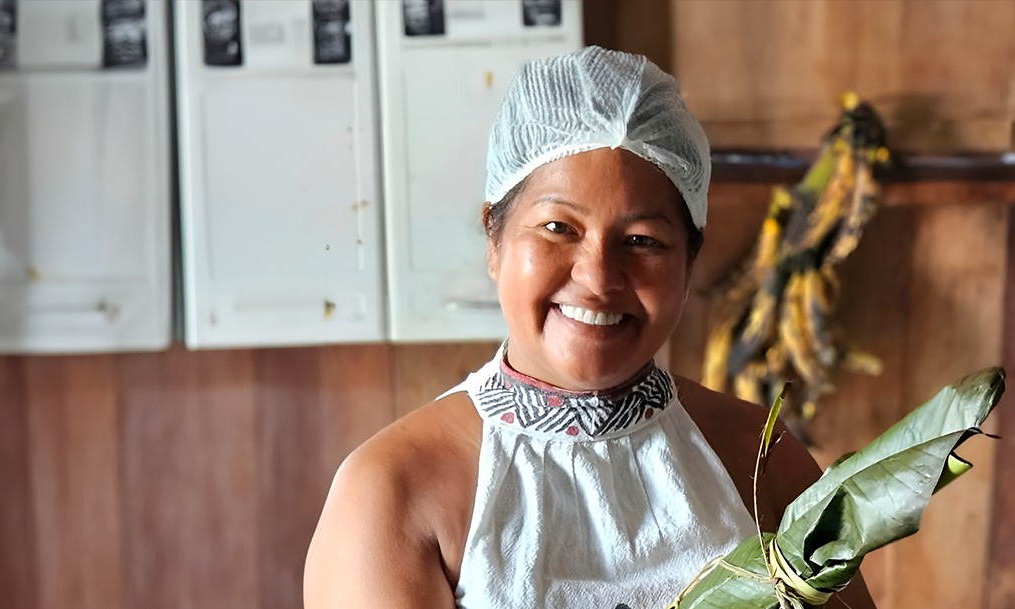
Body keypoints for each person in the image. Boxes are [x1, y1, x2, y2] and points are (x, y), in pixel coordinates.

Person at [303, 46, 876, 609]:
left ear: (688, 263)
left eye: (643, 241)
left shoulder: (761, 458)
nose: (598, 276)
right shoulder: (390, 493)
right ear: (495, 241)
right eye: (558, 226)